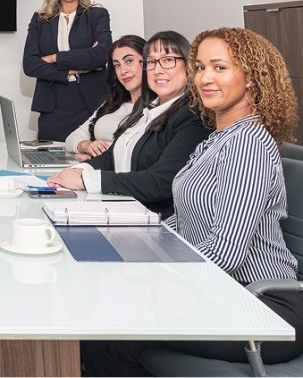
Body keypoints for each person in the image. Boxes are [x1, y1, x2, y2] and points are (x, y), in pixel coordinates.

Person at [83, 27, 303, 375]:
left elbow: (226, 252)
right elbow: (182, 223)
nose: (204, 78)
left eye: (219, 67)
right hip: (218, 289)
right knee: (105, 310)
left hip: (260, 304)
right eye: (200, 67)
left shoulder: (248, 143)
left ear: (251, 77)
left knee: (109, 328)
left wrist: (152, 273)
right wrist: (124, 242)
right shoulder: (216, 139)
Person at [49, 31, 208, 216]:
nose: (158, 70)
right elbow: (112, 157)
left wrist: (87, 180)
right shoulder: (146, 108)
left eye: (168, 60)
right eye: (151, 62)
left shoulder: (193, 116)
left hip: (154, 221)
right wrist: (76, 171)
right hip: (122, 209)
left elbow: (162, 182)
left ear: (188, 65)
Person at [22, 0, 112, 140]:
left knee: (87, 155)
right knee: (49, 155)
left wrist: (54, 58)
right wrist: (73, 69)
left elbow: (101, 55)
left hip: (89, 104)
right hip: (52, 105)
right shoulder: (40, 19)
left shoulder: (97, 15)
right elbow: (30, 65)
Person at [64, 34, 145, 158]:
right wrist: (86, 146)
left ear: (148, 62)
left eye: (129, 61)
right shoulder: (111, 103)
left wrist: (93, 159)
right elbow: (72, 139)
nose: (122, 71)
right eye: (117, 65)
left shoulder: (156, 107)